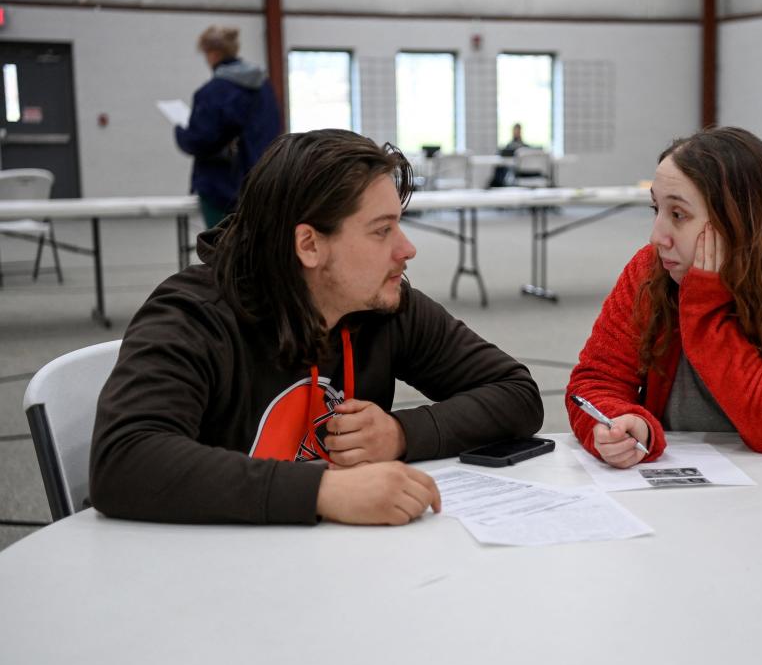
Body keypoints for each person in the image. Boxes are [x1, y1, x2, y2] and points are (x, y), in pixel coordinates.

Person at [90, 129, 544, 525]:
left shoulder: (384, 304)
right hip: (209, 578)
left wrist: (400, 434)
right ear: (309, 245)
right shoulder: (193, 314)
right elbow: (124, 460)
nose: (406, 250)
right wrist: (323, 491)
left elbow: (516, 394)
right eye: (381, 231)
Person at [566, 126, 762, 467]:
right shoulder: (651, 270)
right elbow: (595, 382)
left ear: (739, 220)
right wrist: (622, 423)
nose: (657, 237)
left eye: (678, 215)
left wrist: (705, 306)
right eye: (657, 210)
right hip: (677, 480)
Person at [175, 25, 281, 229]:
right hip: (264, 182)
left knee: (220, 250)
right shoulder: (263, 87)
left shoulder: (212, 92)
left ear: (213, 54)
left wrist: (180, 132)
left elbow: (201, 140)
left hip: (222, 187)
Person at [487, 123, 528, 188]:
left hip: (520, 168)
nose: (516, 133)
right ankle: (495, 183)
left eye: (518, 131)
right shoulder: (509, 145)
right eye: (515, 131)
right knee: (500, 167)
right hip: (508, 165)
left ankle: (495, 184)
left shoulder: (524, 146)